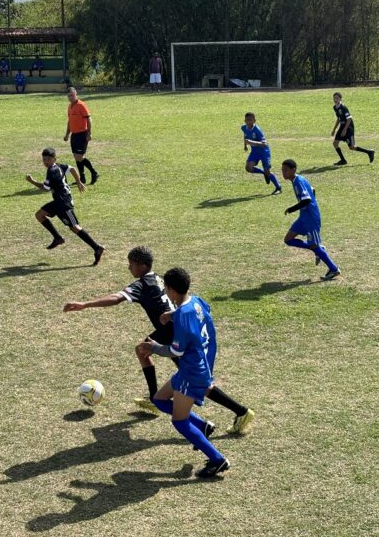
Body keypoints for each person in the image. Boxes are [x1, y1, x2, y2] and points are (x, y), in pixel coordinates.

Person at [63, 246, 255, 434]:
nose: (128, 268)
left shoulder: (142, 284)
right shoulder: (159, 278)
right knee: (142, 350)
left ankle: (241, 411)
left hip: (176, 336)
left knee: (200, 383)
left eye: (130, 264)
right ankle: (154, 399)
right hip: (168, 329)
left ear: (140, 265)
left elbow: (116, 298)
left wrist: (85, 305)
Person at [141, 267, 230, 478]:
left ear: (171, 290)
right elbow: (199, 315)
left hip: (192, 372)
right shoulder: (196, 301)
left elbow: (175, 350)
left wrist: (153, 346)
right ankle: (202, 426)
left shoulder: (182, 315)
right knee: (159, 399)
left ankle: (218, 460)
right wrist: (172, 314)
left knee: (179, 421)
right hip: (194, 367)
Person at [25, 147, 104, 266]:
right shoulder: (60, 166)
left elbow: (45, 189)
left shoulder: (52, 171)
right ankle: (57, 238)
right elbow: (72, 168)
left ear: (54, 159)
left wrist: (32, 181)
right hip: (58, 202)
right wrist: (78, 181)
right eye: (44, 159)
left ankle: (97, 247)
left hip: (63, 203)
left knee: (75, 227)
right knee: (39, 215)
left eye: (48, 159)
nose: (46, 162)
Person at [281, 158, 341, 280]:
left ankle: (334, 269)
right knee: (288, 239)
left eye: (286, 170)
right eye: (282, 170)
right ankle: (318, 249)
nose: (283, 173)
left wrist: (292, 209)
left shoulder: (298, 181)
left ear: (294, 170)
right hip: (303, 217)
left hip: (311, 218)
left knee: (314, 245)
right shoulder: (298, 179)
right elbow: (312, 190)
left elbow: (307, 199)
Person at [64, 86, 98, 185]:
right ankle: (82, 178)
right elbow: (70, 122)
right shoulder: (70, 106)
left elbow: (89, 119)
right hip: (74, 135)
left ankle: (94, 173)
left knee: (80, 157)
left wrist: (89, 133)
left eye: (72, 95)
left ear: (76, 94)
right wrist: (67, 134)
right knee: (76, 157)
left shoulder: (81, 105)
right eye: (69, 96)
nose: (70, 97)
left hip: (82, 134)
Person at [242, 112, 282, 195]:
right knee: (248, 168)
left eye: (251, 120)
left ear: (254, 120)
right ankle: (263, 172)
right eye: (247, 120)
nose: (249, 121)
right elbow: (245, 136)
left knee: (268, 171)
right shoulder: (243, 128)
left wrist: (251, 142)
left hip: (264, 152)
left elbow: (264, 143)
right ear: (244, 121)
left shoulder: (257, 130)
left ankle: (278, 188)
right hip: (255, 152)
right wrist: (245, 145)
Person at [331, 92, 375, 166]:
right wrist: (334, 129)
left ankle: (369, 152)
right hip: (342, 127)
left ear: (340, 99)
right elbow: (338, 118)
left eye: (337, 98)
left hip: (348, 128)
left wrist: (345, 130)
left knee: (352, 147)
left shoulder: (343, 107)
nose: (335, 99)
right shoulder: (335, 107)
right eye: (334, 98)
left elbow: (349, 119)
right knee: (335, 143)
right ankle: (343, 160)